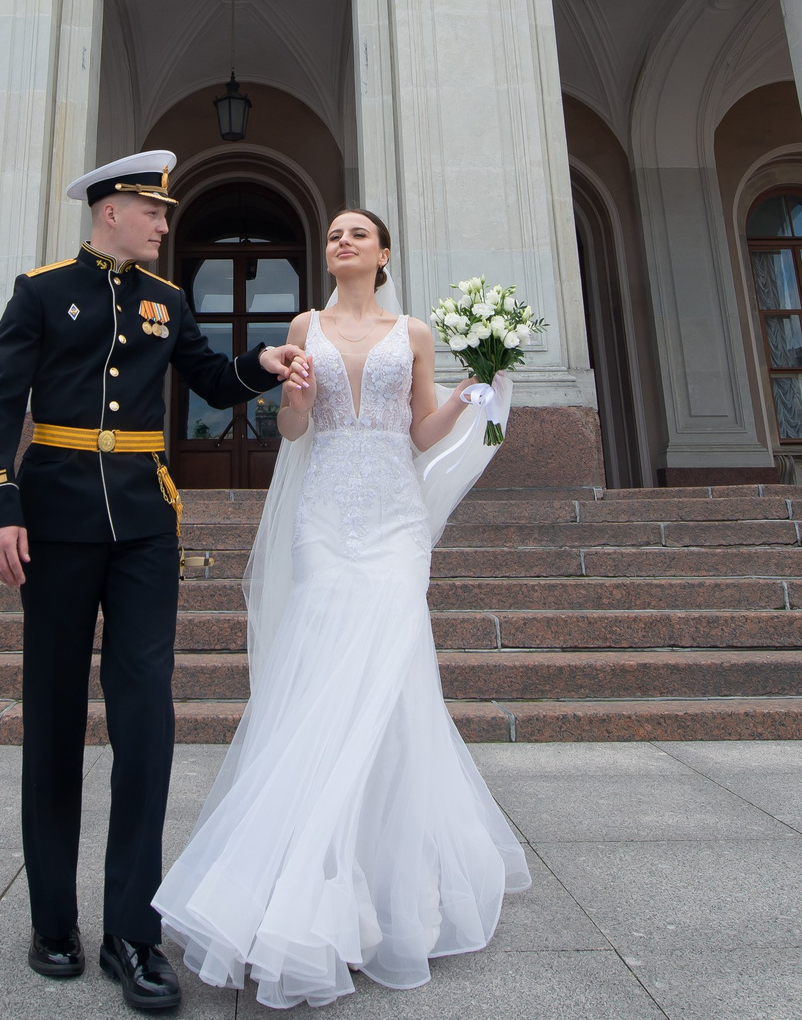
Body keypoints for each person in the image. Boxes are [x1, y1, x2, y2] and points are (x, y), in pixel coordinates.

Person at [154, 207, 530, 1009]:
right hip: (325, 515)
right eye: (333, 235)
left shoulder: (416, 332)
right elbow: (293, 430)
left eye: (358, 234)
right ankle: (303, 875)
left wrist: (472, 396)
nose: (344, 242)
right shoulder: (304, 322)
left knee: (390, 677)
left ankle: (385, 877)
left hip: (395, 519)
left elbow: (421, 434)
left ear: (385, 252)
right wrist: (289, 392)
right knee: (324, 670)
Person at [0, 149, 311, 1014]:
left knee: (146, 721)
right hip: (51, 521)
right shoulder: (43, 290)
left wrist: (260, 363)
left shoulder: (167, 302)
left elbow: (204, 376)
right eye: (152, 210)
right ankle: (54, 918)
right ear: (110, 209)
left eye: (166, 210)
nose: (165, 223)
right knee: (52, 714)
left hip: (145, 526)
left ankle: (132, 929)